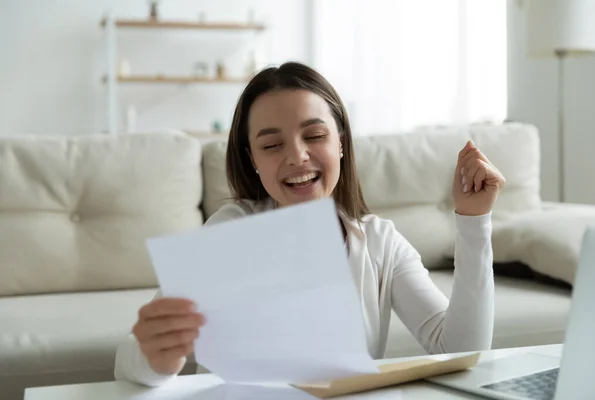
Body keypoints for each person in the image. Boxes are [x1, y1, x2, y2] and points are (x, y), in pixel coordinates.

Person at [114, 61, 505, 387]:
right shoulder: (229, 231)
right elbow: (130, 360)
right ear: (252, 158)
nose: (297, 156)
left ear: (340, 141)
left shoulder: (379, 241)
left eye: (314, 135)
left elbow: (461, 348)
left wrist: (474, 221)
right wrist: (156, 360)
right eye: (271, 145)